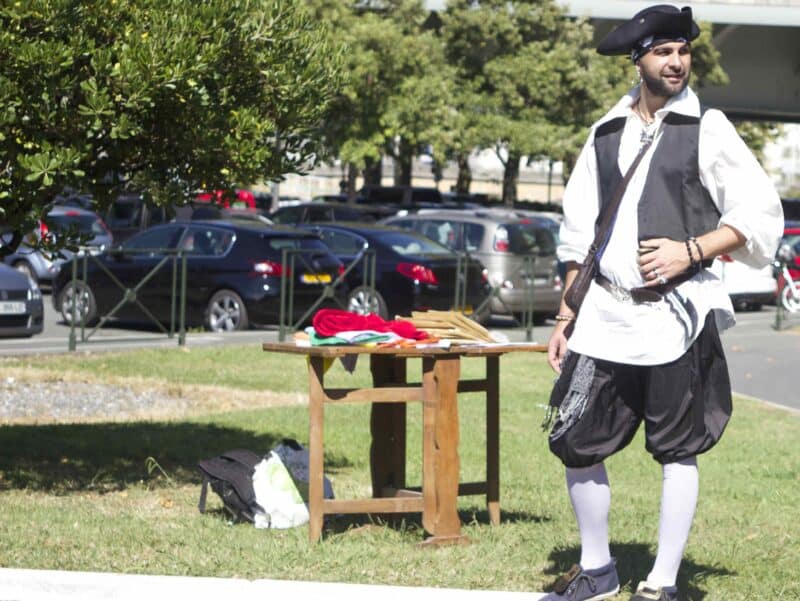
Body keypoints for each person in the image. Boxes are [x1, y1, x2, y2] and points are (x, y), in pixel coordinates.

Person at [542, 5, 783, 601]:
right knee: (574, 438)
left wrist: (691, 251)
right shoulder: (603, 133)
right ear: (638, 59)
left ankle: (663, 582)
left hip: (677, 314)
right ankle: (597, 569)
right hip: (604, 313)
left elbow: (757, 214)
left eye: (683, 51)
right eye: (663, 52)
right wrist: (567, 315)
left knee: (677, 446)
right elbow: (579, 233)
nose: (676, 62)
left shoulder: (708, 127)